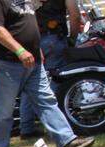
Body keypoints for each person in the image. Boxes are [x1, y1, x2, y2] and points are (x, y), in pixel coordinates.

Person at [0, 0, 94, 147]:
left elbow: (28, 24)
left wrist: (36, 49)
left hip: (33, 60)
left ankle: (66, 142)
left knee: (46, 100)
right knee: (4, 111)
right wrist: (20, 50)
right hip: (8, 62)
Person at [18, 0, 81, 136]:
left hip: (32, 39)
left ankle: (26, 127)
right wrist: (73, 38)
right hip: (54, 38)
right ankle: (56, 125)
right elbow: (75, 15)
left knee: (30, 82)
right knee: (56, 81)